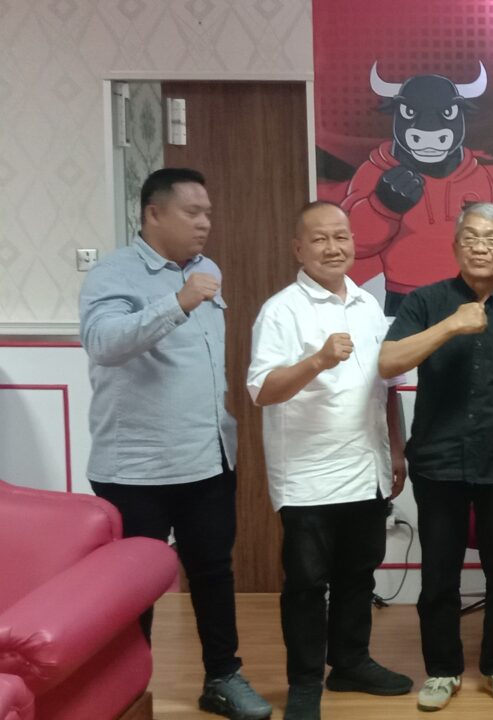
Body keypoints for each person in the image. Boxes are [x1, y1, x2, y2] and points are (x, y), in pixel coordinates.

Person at [79, 168, 271, 720]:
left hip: (207, 458)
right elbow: (102, 343)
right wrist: (178, 302)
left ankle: (223, 678)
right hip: (135, 468)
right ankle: (122, 694)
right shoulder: (113, 273)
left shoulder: (208, 269)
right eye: (192, 212)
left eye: (208, 212)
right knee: (130, 590)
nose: (205, 223)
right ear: (153, 213)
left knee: (213, 573)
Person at [378, 202, 493, 712]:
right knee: (439, 575)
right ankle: (442, 670)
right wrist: (451, 326)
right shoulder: (426, 301)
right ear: (455, 247)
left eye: (492, 239)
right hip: (438, 461)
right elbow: (388, 362)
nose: (480, 247)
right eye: (471, 237)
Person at [246, 201, 414, 718]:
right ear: (298, 248)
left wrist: (397, 449)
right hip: (308, 476)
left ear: (355, 243)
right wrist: (317, 360)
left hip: (366, 467)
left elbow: (387, 387)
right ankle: (304, 683)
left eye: (341, 237)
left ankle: (351, 662)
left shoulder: (368, 306)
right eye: (319, 239)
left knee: (358, 576)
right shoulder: (281, 310)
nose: (332, 247)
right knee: (305, 586)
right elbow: (263, 391)